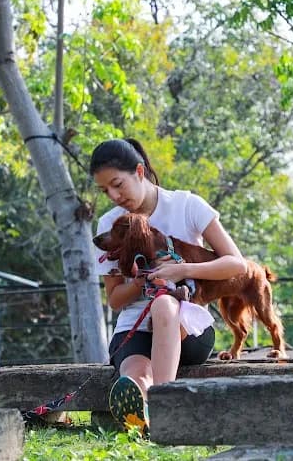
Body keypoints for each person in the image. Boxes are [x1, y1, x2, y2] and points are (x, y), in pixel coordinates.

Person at [90, 138, 247, 433]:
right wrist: (141, 280)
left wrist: (181, 270)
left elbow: (237, 264)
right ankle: (143, 408)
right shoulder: (109, 225)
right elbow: (114, 299)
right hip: (134, 328)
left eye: (117, 184)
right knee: (135, 377)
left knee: (164, 303)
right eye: (104, 190)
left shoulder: (186, 205)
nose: (113, 196)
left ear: (139, 171)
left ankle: (165, 408)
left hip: (188, 327)